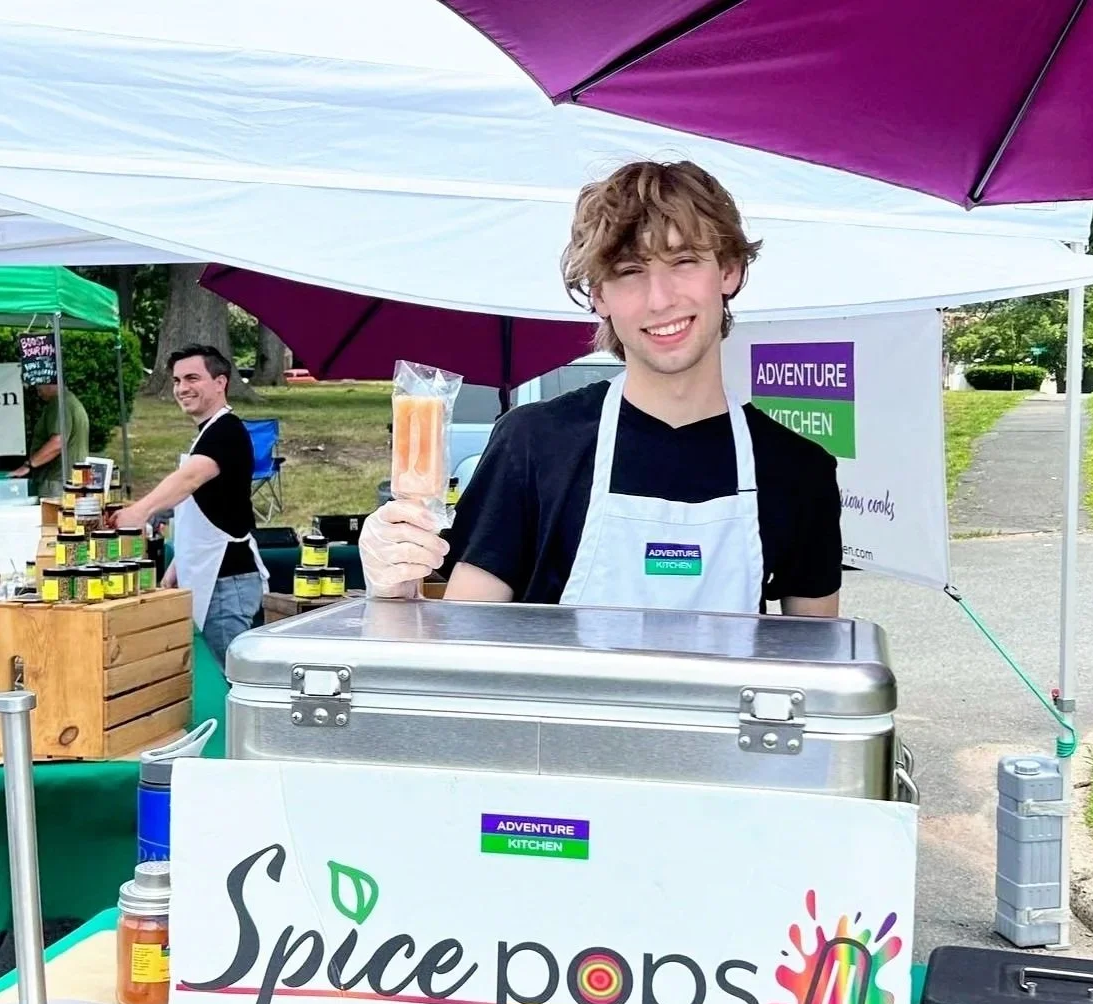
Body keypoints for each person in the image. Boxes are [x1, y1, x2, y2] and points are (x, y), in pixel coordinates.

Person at [361, 159, 841, 617]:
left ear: (730, 271)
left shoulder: (799, 471)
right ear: (598, 295)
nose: (660, 299)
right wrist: (395, 588)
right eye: (630, 271)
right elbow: (464, 642)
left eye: (684, 261)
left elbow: (817, 660)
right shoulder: (532, 444)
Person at [113, 345, 267, 665]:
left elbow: (189, 480)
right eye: (177, 380)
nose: (182, 388)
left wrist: (139, 511)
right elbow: (211, 508)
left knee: (230, 680)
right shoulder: (209, 433)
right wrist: (177, 565)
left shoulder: (226, 431)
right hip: (210, 575)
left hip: (227, 582)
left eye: (192, 378)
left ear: (220, 382)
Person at [10, 382, 90, 498]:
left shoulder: (59, 404)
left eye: (39, 386)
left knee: (52, 510)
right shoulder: (71, 402)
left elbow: (57, 442)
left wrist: (29, 465)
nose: (38, 392)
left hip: (57, 482)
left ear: (51, 383)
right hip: (73, 478)